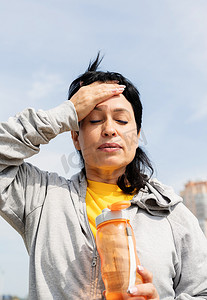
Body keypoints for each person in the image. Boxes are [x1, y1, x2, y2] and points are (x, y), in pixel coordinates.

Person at [0, 54, 207, 300]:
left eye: (121, 120)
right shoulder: (40, 197)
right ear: (75, 136)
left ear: (138, 134)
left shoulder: (172, 214)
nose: (109, 129)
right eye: (95, 119)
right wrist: (65, 113)